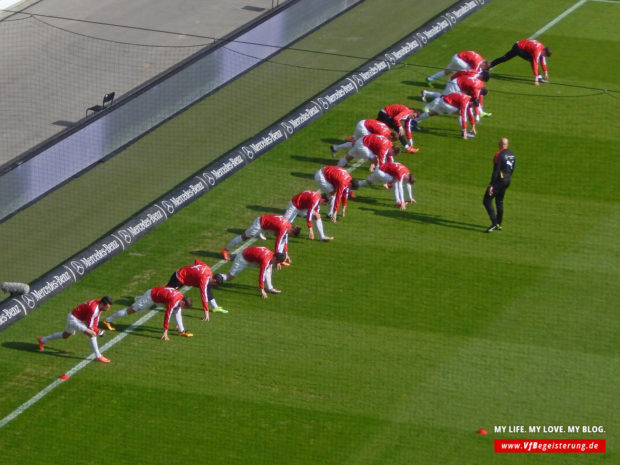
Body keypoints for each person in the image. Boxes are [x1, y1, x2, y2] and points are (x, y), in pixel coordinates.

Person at [37, 296, 113, 363]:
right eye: (107, 307)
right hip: (73, 320)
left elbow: (95, 318)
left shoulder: (98, 303)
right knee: (92, 333)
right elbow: (90, 326)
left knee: (65, 335)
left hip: (74, 317)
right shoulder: (93, 309)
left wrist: (97, 329)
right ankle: (98, 356)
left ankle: (42, 340)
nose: (108, 309)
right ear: (102, 304)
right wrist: (99, 332)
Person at [102, 286, 193, 340]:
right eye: (185, 307)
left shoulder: (180, 297)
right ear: (183, 302)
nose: (184, 308)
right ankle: (107, 320)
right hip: (150, 297)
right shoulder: (174, 301)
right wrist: (165, 332)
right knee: (131, 310)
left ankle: (181, 331)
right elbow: (167, 315)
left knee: (177, 311)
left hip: (158, 297)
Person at [221, 214, 300, 264]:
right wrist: (277, 258)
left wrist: (286, 254)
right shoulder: (283, 229)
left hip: (265, 224)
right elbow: (278, 243)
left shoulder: (288, 225)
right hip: (259, 225)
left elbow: (284, 240)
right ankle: (225, 250)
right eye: (291, 235)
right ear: (292, 231)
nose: (289, 236)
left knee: (279, 235)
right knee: (244, 237)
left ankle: (259, 234)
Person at [215, 246, 286, 299]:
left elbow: (270, 261)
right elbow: (261, 275)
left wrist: (277, 263)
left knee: (268, 269)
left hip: (250, 257)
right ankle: (216, 278)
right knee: (229, 277)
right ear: (275, 258)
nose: (276, 263)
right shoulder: (266, 260)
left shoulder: (272, 255)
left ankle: (270, 288)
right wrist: (262, 290)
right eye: (277, 262)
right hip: (242, 259)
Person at [421, 69, 491, 120]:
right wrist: (477, 116)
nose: (482, 81)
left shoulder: (475, 72)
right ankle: (426, 107)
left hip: (457, 83)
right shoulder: (478, 84)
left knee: (445, 96)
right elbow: (475, 99)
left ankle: (426, 93)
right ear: (482, 76)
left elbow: (463, 74)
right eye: (483, 79)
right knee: (444, 98)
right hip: (455, 84)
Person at [483, 137, 516, 232]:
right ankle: (499, 222)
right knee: (499, 201)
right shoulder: (512, 155)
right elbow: (512, 169)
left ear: (501, 145)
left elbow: (496, 171)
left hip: (499, 180)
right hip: (507, 179)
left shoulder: (499, 154)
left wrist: (491, 185)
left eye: (499, 143)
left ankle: (494, 223)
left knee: (486, 200)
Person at [413, 92, 478, 139]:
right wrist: (464, 130)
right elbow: (464, 115)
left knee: (432, 113)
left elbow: (469, 111)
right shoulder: (465, 102)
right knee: (461, 113)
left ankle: (414, 121)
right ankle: (464, 132)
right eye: (473, 106)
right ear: (472, 102)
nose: (472, 107)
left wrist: (473, 125)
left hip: (443, 100)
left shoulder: (468, 98)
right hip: (446, 103)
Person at [329, 119, 395, 156]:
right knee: (364, 144)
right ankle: (347, 157)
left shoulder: (387, 131)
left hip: (362, 123)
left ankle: (335, 148)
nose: (389, 140)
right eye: (391, 140)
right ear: (391, 136)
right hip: (363, 127)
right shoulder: (382, 134)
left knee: (355, 143)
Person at [335, 134, 401, 170]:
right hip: (363, 145)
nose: (391, 155)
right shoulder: (384, 149)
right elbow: (382, 162)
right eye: (393, 154)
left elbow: (390, 158)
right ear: (392, 150)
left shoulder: (389, 144)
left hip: (362, 141)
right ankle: (377, 175)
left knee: (349, 157)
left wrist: (392, 166)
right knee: (375, 160)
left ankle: (337, 168)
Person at [425, 50, 490, 85]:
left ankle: (429, 79)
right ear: (484, 64)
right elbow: (475, 72)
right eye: (484, 67)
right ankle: (454, 84)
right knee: (468, 72)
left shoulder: (481, 59)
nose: (482, 68)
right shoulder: (478, 63)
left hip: (457, 56)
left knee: (447, 72)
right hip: (458, 60)